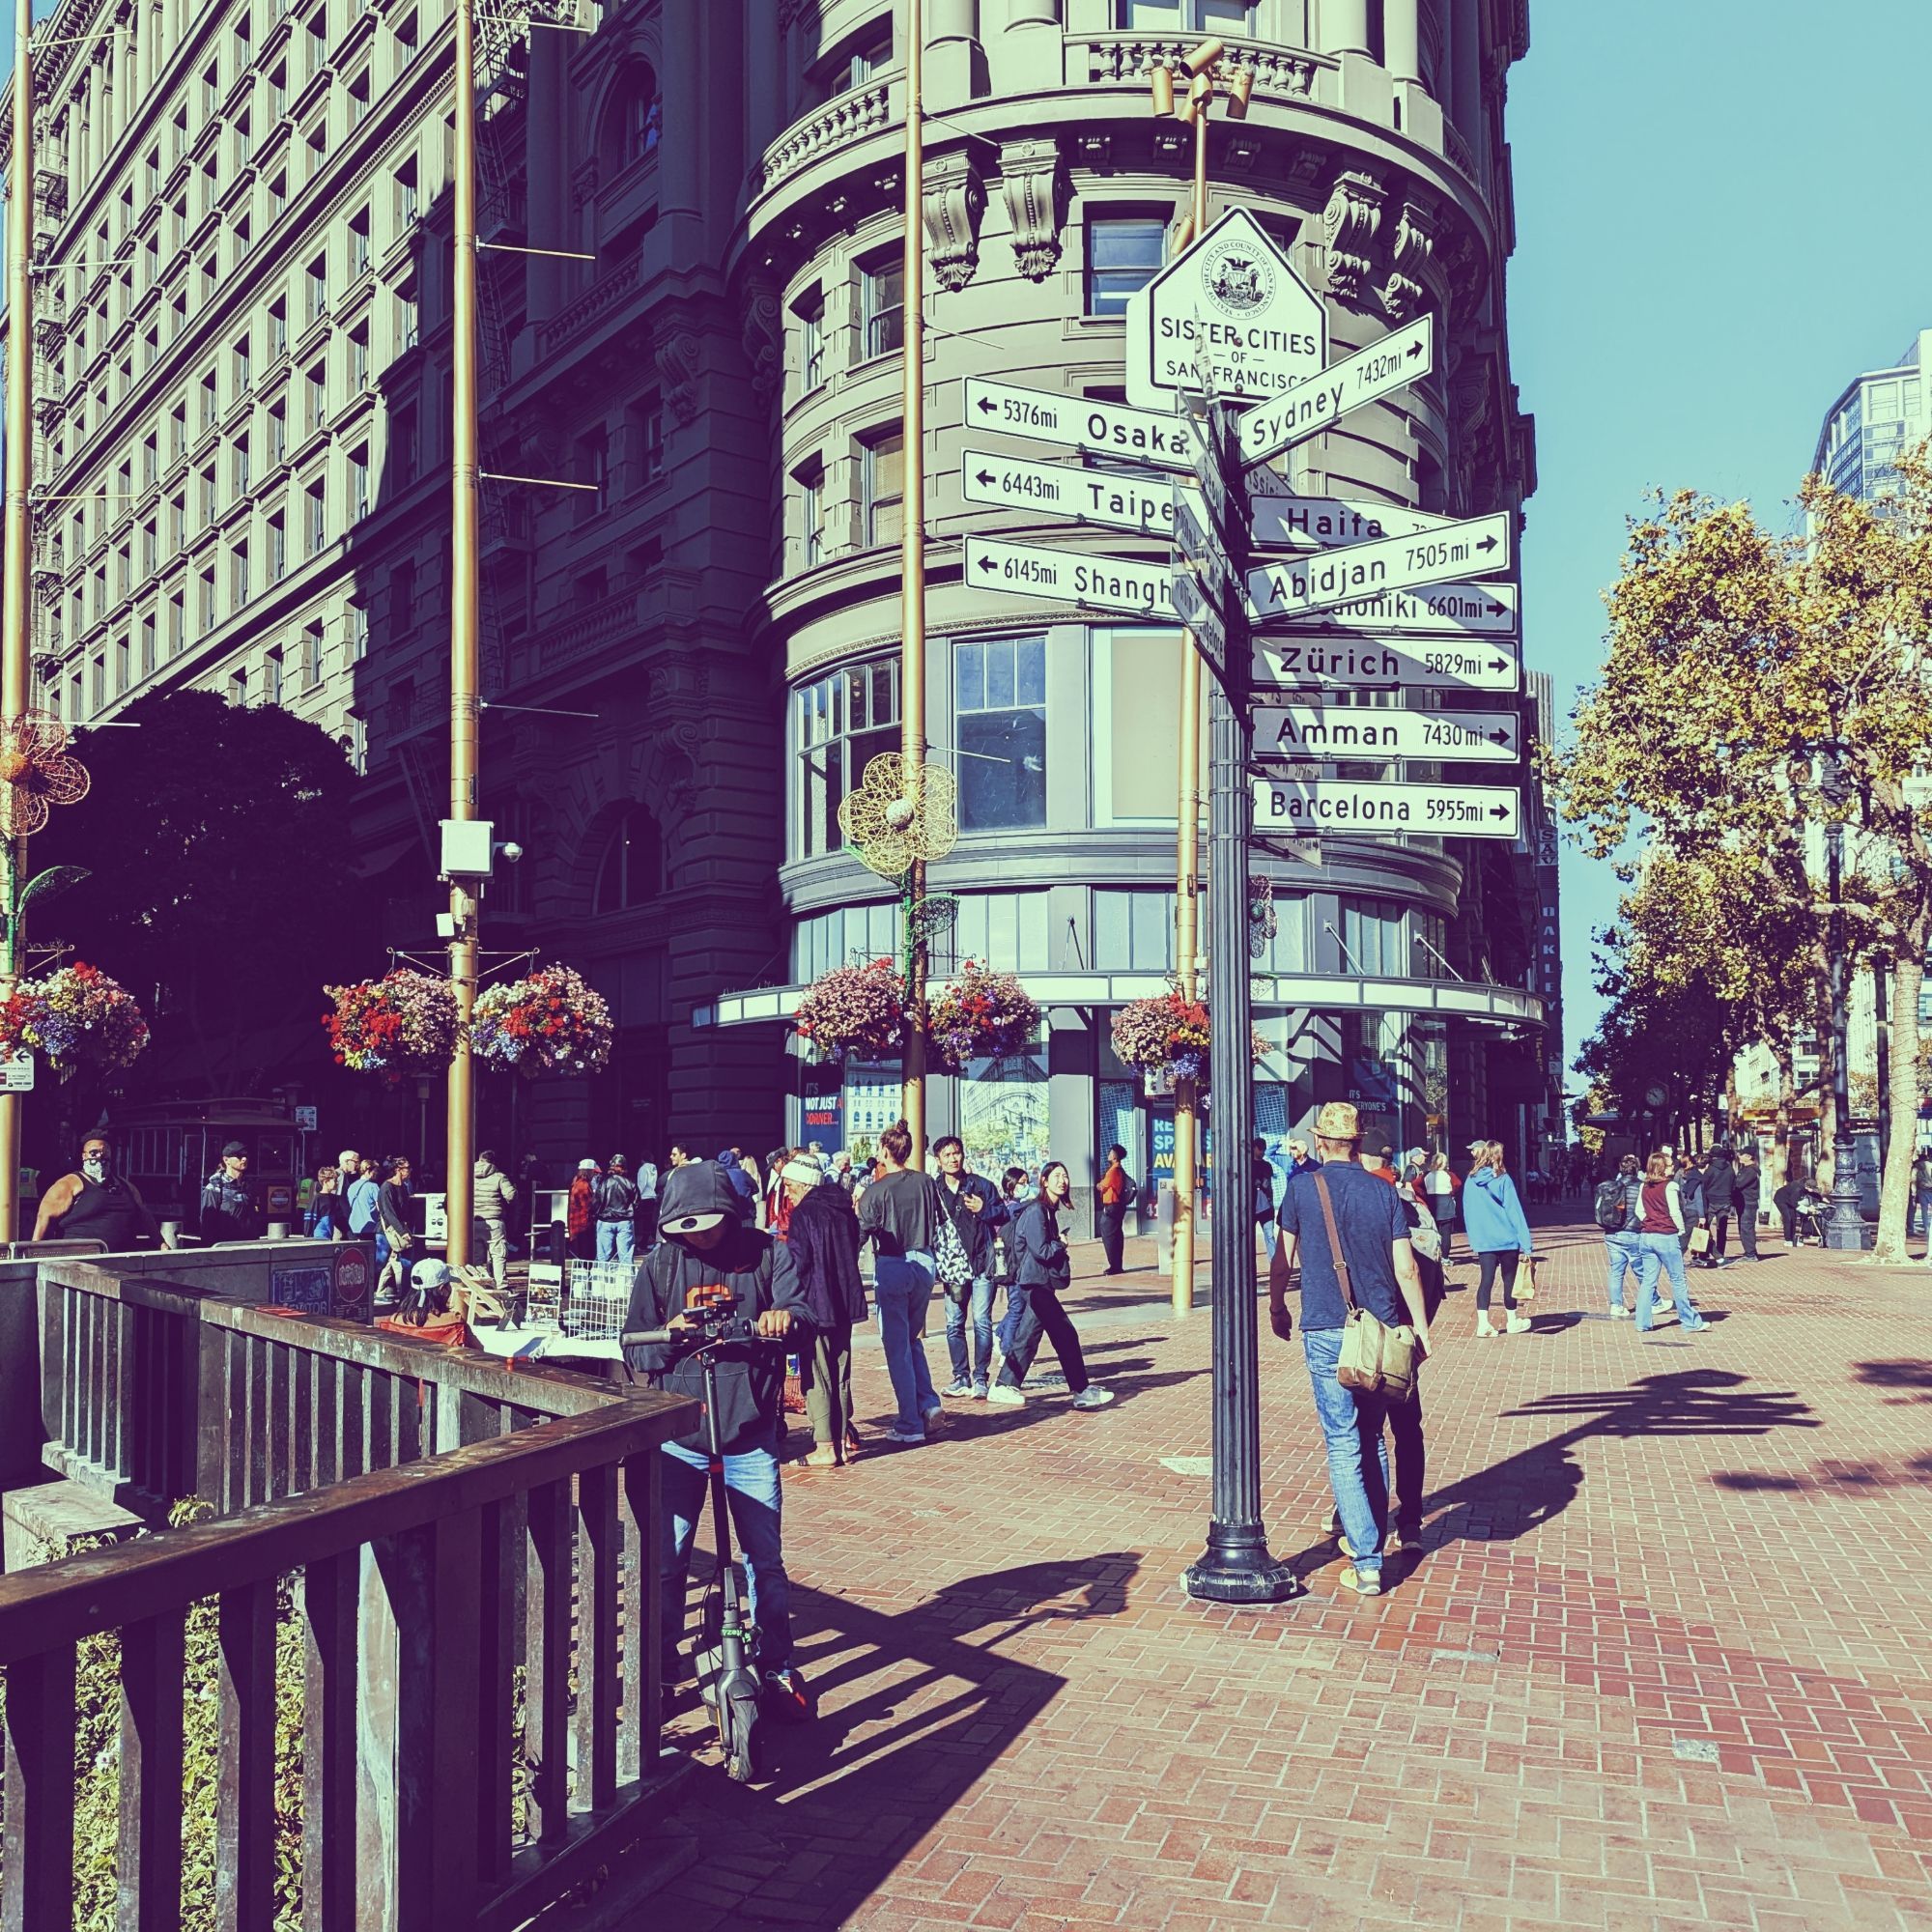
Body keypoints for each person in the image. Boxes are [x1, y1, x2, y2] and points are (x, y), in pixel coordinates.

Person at [620, 1159, 811, 1716]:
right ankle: (657, 1669)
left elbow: (801, 1311)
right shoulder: (659, 1265)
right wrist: (672, 1335)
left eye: (708, 1222)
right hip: (680, 1432)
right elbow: (635, 1344)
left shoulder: (768, 1253)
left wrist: (783, 1320)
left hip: (749, 1431)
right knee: (666, 1559)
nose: (699, 1235)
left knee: (765, 1561)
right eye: (688, 1226)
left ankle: (776, 1664)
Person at [1267, 1101, 1432, 1597]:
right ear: (1359, 1143)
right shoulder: (1383, 1192)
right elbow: (1406, 1267)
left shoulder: (1300, 1189)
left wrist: (1277, 1306)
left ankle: (1367, 1560)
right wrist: (1420, 1328)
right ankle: (1372, 1543)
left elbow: (1282, 1258)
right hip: (1378, 1328)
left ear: (1321, 1142)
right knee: (1372, 1438)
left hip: (1324, 1326)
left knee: (1342, 1441)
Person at [990, 1161, 1113, 1409]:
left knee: (1028, 1337)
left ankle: (1003, 1385)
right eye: (1056, 1176)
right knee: (1066, 1334)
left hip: (1038, 1284)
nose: (1062, 1180)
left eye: (1065, 1176)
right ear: (1044, 1181)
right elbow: (1043, 1251)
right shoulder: (1037, 1211)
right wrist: (1061, 1243)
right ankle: (1080, 1391)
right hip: (1033, 1284)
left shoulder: (1048, 1211)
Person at [857, 1121, 947, 1443]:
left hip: (893, 1263)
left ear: (884, 1151)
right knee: (911, 1338)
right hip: (924, 1259)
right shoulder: (926, 1183)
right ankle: (929, 1403)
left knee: (897, 1347)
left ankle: (910, 1423)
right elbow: (939, 1218)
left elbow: (861, 1233)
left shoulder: (875, 1190)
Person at [777, 1154, 867, 1467]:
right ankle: (840, 1442)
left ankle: (825, 1445)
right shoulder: (842, 1209)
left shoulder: (805, 1213)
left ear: (802, 1184)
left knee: (817, 1375)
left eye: (789, 1186)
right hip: (845, 1301)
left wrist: (783, 1293)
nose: (787, 1193)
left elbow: (799, 1261)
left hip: (817, 1303)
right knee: (841, 1374)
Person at [935, 1134, 1009, 1400]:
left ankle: (980, 1377)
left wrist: (983, 1208)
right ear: (938, 1160)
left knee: (981, 1321)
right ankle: (960, 1376)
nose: (953, 1158)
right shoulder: (934, 1191)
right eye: (947, 1155)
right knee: (954, 1323)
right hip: (953, 1270)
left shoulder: (981, 1186)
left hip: (981, 1264)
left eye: (957, 1153)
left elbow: (1003, 1214)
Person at [35, 1133, 162, 1248]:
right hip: (78, 1263)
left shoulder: (128, 1187)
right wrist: (34, 1255)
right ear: (84, 1156)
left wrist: (162, 1245)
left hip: (123, 1262)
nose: (100, 1157)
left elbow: (145, 1216)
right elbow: (44, 1216)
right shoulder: (69, 1184)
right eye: (94, 1153)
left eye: (105, 1153)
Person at [1463, 1140, 1535, 1337]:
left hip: (1485, 1241)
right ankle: (1512, 1322)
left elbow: (1468, 1211)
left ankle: (1483, 1324)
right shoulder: (1503, 1179)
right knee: (1509, 1280)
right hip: (1506, 1238)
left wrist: (1475, 1239)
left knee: (1485, 1280)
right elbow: (1515, 1212)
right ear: (1498, 1155)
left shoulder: (1471, 1179)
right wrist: (1526, 1243)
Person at [1632, 1151, 1709, 1333]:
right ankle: (1690, 1322)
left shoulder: (1644, 1186)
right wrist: (1680, 1230)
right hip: (1666, 1236)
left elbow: (1639, 1211)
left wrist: (1650, 1221)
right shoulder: (1670, 1186)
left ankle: (1642, 1323)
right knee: (1678, 1279)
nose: (1673, 1166)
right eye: (1668, 1165)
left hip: (1647, 1235)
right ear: (1661, 1168)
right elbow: (1675, 1212)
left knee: (1648, 1281)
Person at [1594, 1152, 1645, 1318]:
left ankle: (1616, 1305)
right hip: (1634, 1233)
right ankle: (1652, 1301)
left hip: (1612, 1233)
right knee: (1641, 1270)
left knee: (1616, 1271)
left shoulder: (1612, 1186)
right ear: (1637, 1169)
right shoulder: (1642, 1187)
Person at [199, 1140, 263, 1244]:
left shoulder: (248, 1187)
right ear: (226, 1160)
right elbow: (207, 1224)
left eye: (246, 1155)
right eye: (239, 1156)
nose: (244, 1159)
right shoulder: (214, 1188)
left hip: (249, 1247)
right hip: (224, 1247)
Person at [473, 1150, 517, 1292]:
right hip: (493, 1221)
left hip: (473, 1221)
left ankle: (480, 1286)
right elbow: (510, 1196)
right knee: (498, 1255)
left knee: (477, 1258)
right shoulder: (499, 1176)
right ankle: (501, 1287)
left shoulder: (468, 1174)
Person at [374, 1155, 414, 1301]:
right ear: (398, 1170)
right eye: (407, 1168)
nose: (410, 1171)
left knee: (403, 1263)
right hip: (387, 1231)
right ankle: (375, 1292)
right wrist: (403, 1232)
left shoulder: (404, 1186)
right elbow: (388, 1213)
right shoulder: (386, 1187)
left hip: (400, 1230)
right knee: (381, 1263)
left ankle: (404, 1294)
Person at [1094, 1143, 1134, 1276]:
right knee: (1116, 1235)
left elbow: (1102, 1186)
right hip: (1118, 1207)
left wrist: (1099, 1184)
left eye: (1111, 1152)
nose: (1109, 1154)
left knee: (1109, 1236)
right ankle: (1117, 1265)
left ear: (1116, 1156)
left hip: (1111, 1207)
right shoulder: (1119, 1170)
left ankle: (1114, 1266)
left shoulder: (1113, 1171)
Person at [594, 1154, 639, 1268]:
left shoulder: (603, 1182)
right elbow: (637, 1202)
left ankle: (601, 1283)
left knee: (603, 1258)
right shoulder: (631, 1183)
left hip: (605, 1220)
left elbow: (596, 1202)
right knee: (626, 1258)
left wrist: (595, 1215)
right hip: (625, 1221)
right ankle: (627, 1284)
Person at [1701, 1144, 1737, 1266]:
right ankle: (1720, 1253)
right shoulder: (1730, 1168)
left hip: (1711, 1201)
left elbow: (1704, 1185)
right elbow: (1733, 1185)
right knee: (1722, 1229)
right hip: (1725, 1201)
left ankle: (1705, 1253)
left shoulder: (1710, 1169)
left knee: (1704, 1229)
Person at [1423, 1152, 1460, 1259]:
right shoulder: (1449, 1174)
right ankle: (1445, 1257)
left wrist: (1424, 1193)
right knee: (1446, 1233)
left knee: (1434, 1231)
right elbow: (1458, 1184)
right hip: (1446, 1201)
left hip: (1431, 1201)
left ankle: (1434, 1255)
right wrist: (1452, 1192)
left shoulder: (1426, 1175)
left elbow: (1416, 1184)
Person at [1675, 1153, 1707, 1271]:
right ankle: (1678, 1257)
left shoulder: (1681, 1175)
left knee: (1687, 1234)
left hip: (1685, 1208)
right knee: (1687, 1235)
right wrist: (1702, 1215)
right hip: (1693, 1210)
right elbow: (1698, 1198)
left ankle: (1695, 1256)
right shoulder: (1696, 1178)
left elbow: (1681, 1192)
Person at [1734, 1151, 1763, 1262]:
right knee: (1743, 1228)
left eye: (1742, 1155)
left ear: (1749, 1156)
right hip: (1743, 1202)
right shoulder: (1745, 1169)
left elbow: (1739, 1184)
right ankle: (1749, 1252)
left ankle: (1751, 1254)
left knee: (1746, 1228)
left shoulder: (1750, 1171)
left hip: (1748, 1203)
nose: (1739, 1157)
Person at [567, 1158, 598, 1260]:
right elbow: (588, 1206)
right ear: (589, 1171)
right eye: (593, 1172)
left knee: (580, 1253)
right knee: (586, 1253)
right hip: (583, 1224)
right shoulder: (583, 1186)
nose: (594, 1175)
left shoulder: (577, 1182)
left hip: (577, 1224)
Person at [308, 1165, 350, 1241]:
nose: (337, 1183)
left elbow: (340, 1220)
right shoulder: (317, 1198)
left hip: (329, 1238)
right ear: (325, 1181)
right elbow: (309, 1220)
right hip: (317, 1237)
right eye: (334, 1180)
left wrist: (350, 1234)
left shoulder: (335, 1198)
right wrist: (308, 1238)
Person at [345, 1155, 381, 1243]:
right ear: (368, 1171)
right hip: (370, 1226)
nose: (375, 1174)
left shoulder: (352, 1186)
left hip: (353, 1226)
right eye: (374, 1171)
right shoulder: (373, 1186)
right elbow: (380, 1208)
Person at [634, 1153, 660, 1249]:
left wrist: (637, 1196)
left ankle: (644, 1242)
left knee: (644, 1221)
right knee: (648, 1220)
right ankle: (648, 1240)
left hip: (644, 1197)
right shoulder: (654, 1168)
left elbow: (642, 1183)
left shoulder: (643, 1169)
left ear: (642, 1159)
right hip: (652, 1195)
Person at [1773, 1175, 1801, 1246]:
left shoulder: (1802, 1188)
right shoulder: (1797, 1189)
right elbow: (1794, 1203)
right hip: (1780, 1199)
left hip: (1789, 1200)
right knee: (1788, 1217)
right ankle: (1788, 1239)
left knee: (1793, 1218)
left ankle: (1793, 1238)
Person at [1915, 1147, 1932, 1239]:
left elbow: (1914, 1178)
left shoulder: (1918, 1165)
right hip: (1930, 1190)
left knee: (1924, 1211)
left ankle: (1927, 1229)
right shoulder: (1930, 1165)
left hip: (1921, 1190)